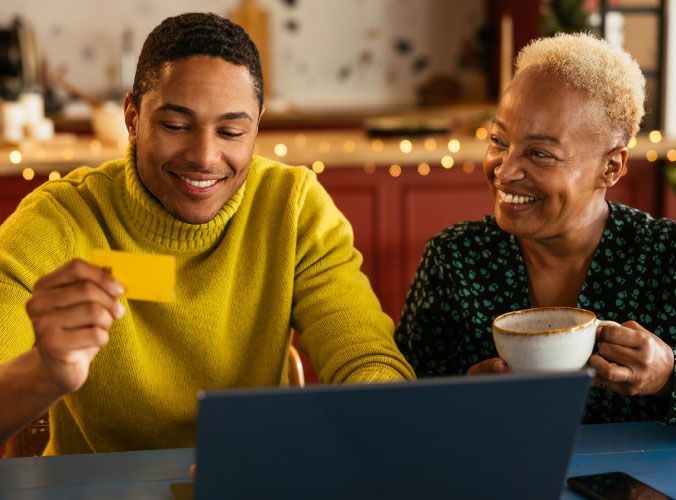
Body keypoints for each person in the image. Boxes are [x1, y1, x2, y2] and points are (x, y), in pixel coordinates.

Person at [0, 12, 414, 455]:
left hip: (250, 480)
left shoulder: (293, 208)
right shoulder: (60, 218)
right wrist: (46, 372)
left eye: (232, 131)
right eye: (176, 126)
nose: (204, 156)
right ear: (132, 118)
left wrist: (376, 418)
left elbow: (365, 355)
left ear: (257, 126)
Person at [395, 33, 675, 424]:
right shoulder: (456, 258)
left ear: (611, 168)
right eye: (498, 141)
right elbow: (400, 405)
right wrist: (457, 395)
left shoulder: (666, 259)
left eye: (540, 153)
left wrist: (667, 377)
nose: (504, 171)